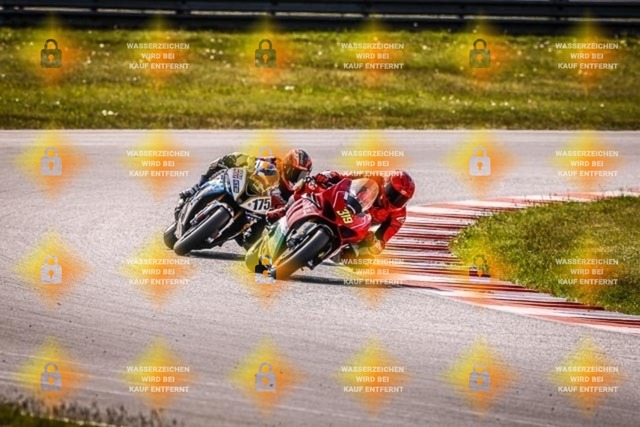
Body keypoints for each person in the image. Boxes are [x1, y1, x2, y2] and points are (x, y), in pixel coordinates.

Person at [175, 149, 313, 247]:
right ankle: (196, 188)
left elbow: (287, 213)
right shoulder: (274, 162)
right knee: (230, 159)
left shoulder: (292, 192)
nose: (297, 178)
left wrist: (276, 216)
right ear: (287, 165)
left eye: (302, 175)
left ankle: (237, 234)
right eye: (297, 172)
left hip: (257, 212)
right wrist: (245, 161)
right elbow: (251, 160)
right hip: (244, 188)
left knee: (251, 243)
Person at [266, 170, 416, 256]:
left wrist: (373, 242)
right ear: (386, 183)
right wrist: (327, 176)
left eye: (401, 199)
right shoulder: (373, 177)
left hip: (358, 227)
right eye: (393, 193)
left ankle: (332, 252)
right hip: (344, 207)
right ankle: (284, 210)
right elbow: (343, 177)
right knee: (310, 185)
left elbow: (381, 242)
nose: (394, 200)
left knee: (365, 259)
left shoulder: (398, 216)